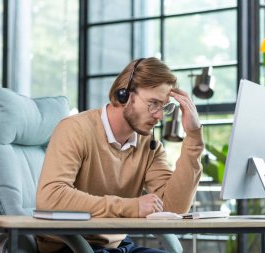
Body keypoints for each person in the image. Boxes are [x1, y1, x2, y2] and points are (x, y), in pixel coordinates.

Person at [36, 57, 204, 253]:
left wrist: (193, 135)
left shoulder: (149, 146)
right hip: (67, 246)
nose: (159, 116)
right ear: (124, 94)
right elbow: (50, 197)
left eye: (164, 106)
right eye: (153, 103)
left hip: (116, 245)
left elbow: (173, 208)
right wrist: (131, 207)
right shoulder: (75, 129)